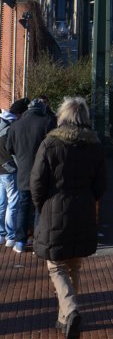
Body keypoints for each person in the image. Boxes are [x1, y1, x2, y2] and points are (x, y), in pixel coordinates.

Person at [31, 96, 106, 339]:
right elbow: (101, 184)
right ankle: (64, 318)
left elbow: (37, 182)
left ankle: (71, 309)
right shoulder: (94, 145)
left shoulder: (50, 143)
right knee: (74, 264)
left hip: (55, 207)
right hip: (83, 209)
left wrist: (41, 205)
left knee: (56, 264)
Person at [7, 97, 53, 253]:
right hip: (42, 171)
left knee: (23, 206)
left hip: (23, 171)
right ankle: (37, 240)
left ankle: (20, 241)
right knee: (40, 206)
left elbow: (9, 148)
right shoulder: (47, 122)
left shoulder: (16, 125)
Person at [0, 99, 29, 249]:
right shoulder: (12, 126)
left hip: (0, 170)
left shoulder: (1, 121)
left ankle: (1, 234)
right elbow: (13, 150)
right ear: (19, 113)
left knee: (2, 202)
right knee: (13, 203)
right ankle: (11, 236)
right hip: (10, 170)